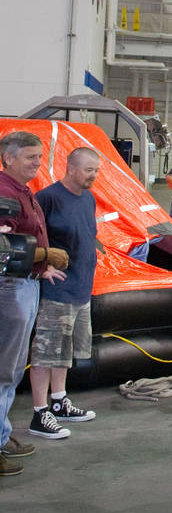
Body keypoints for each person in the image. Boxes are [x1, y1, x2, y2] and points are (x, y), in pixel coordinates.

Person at [0, 131, 68, 477]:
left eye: (39, 157)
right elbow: (3, 249)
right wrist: (45, 254)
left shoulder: (23, 192)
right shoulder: (4, 193)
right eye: (30, 157)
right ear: (7, 158)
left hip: (25, 284)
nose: (37, 163)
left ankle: (2, 434)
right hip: (9, 289)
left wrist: (42, 267)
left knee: (11, 369)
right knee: (3, 368)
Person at [29, 147, 102, 439]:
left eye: (96, 170)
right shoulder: (48, 198)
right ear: (71, 169)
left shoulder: (89, 198)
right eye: (88, 170)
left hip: (81, 287)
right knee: (46, 353)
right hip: (58, 290)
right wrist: (42, 266)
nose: (93, 176)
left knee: (65, 351)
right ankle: (39, 412)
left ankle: (59, 401)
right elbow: (30, 236)